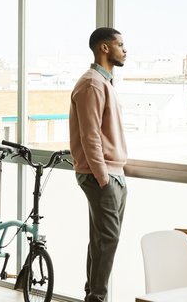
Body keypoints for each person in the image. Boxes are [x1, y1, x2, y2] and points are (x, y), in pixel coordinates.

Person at [69, 27, 128, 302]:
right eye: (120, 44)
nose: (125, 50)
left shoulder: (105, 82)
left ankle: (92, 295)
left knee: (101, 241)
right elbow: (89, 134)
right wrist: (103, 177)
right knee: (108, 239)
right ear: (104, 48)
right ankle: (97, 298)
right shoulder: (92, 83)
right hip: (100, 175)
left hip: (113, 173)